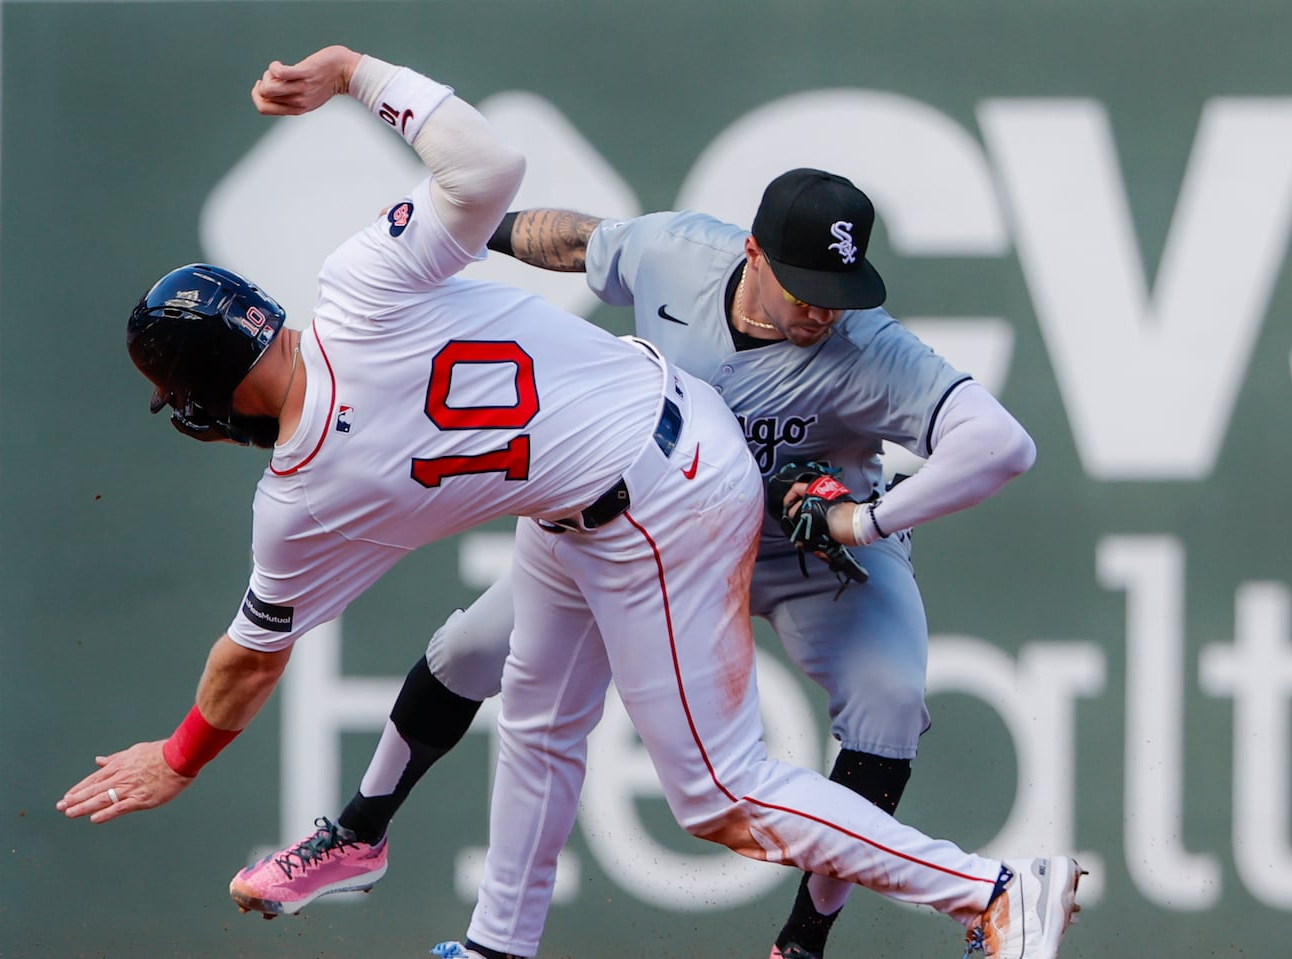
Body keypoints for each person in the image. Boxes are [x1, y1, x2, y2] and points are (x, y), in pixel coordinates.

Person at [55, 41, 1080, 959]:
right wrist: (359, 73)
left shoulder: (301, 498)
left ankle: (988, 889)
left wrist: (179, 756)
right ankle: (498, 942)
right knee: (538, 712)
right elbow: (494, 176)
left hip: (658, 503)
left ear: (204, 397)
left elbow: (246, 661)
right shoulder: (358, 280)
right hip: (613, 468)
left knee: (717, 788)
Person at [230, 169, 1044, 959]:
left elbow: (1001, 444)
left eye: (840, 289)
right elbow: (574, 240)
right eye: (804, 286)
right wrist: (466, 232)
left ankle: (805, 944)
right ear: (754, 254)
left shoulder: (869, 346)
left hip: (810, 554)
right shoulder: (680, 253)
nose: (824, 309)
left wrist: (868, 519)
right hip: (660, 522)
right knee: (475, 650)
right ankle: (359, 832)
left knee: (887, 705)